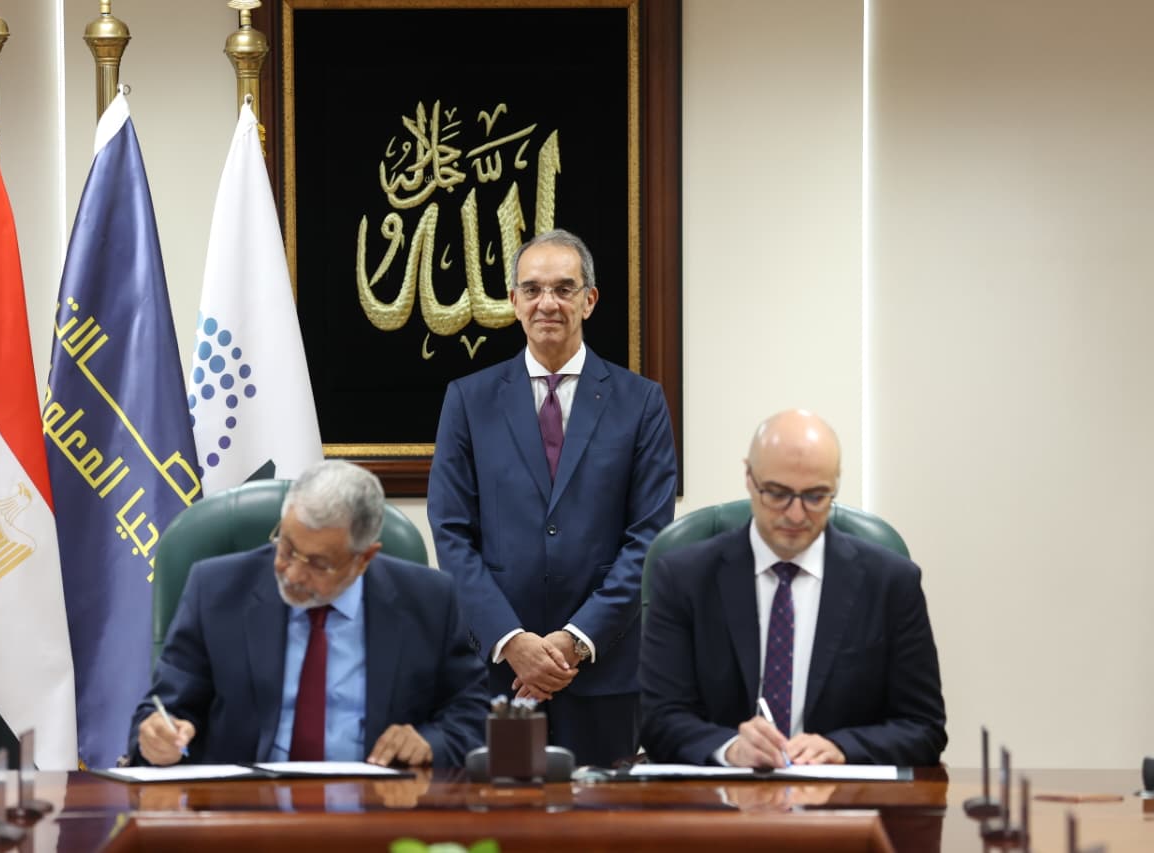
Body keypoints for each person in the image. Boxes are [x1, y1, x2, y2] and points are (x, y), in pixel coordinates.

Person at [428, 229, 678, 768]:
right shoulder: (468, 400)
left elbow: (649, 537)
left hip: (603, 672)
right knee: (493, 816)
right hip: (496, 673)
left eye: (565, 289)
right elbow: (451, 532)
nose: (548, 303)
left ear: (589, 300)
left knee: (601, 817)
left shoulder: (642, 402)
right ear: (513, 301)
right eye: (533, 289)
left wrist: (576, 639)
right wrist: (511, 639)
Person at [128, 460, 488, 768]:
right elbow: (165, 708)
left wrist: (431, 742)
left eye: (319, 563)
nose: (294, 574)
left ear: (364, 558)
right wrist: (158, 735)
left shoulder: (428, 601)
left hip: (377, 806)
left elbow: (472, 712)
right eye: (286, 547)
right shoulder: (216, 590)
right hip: (245, 809)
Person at [639, 410, 946, 767]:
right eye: (777, 493)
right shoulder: (684, 578)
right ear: (749, 478)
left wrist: (842, 748)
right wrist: (731, 749)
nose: (796, 514)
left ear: (835, 485)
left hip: (845, 796)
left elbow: (923, 727)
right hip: (721, 794)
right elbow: (658, 720)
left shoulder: (891, 583)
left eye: (816, 496)